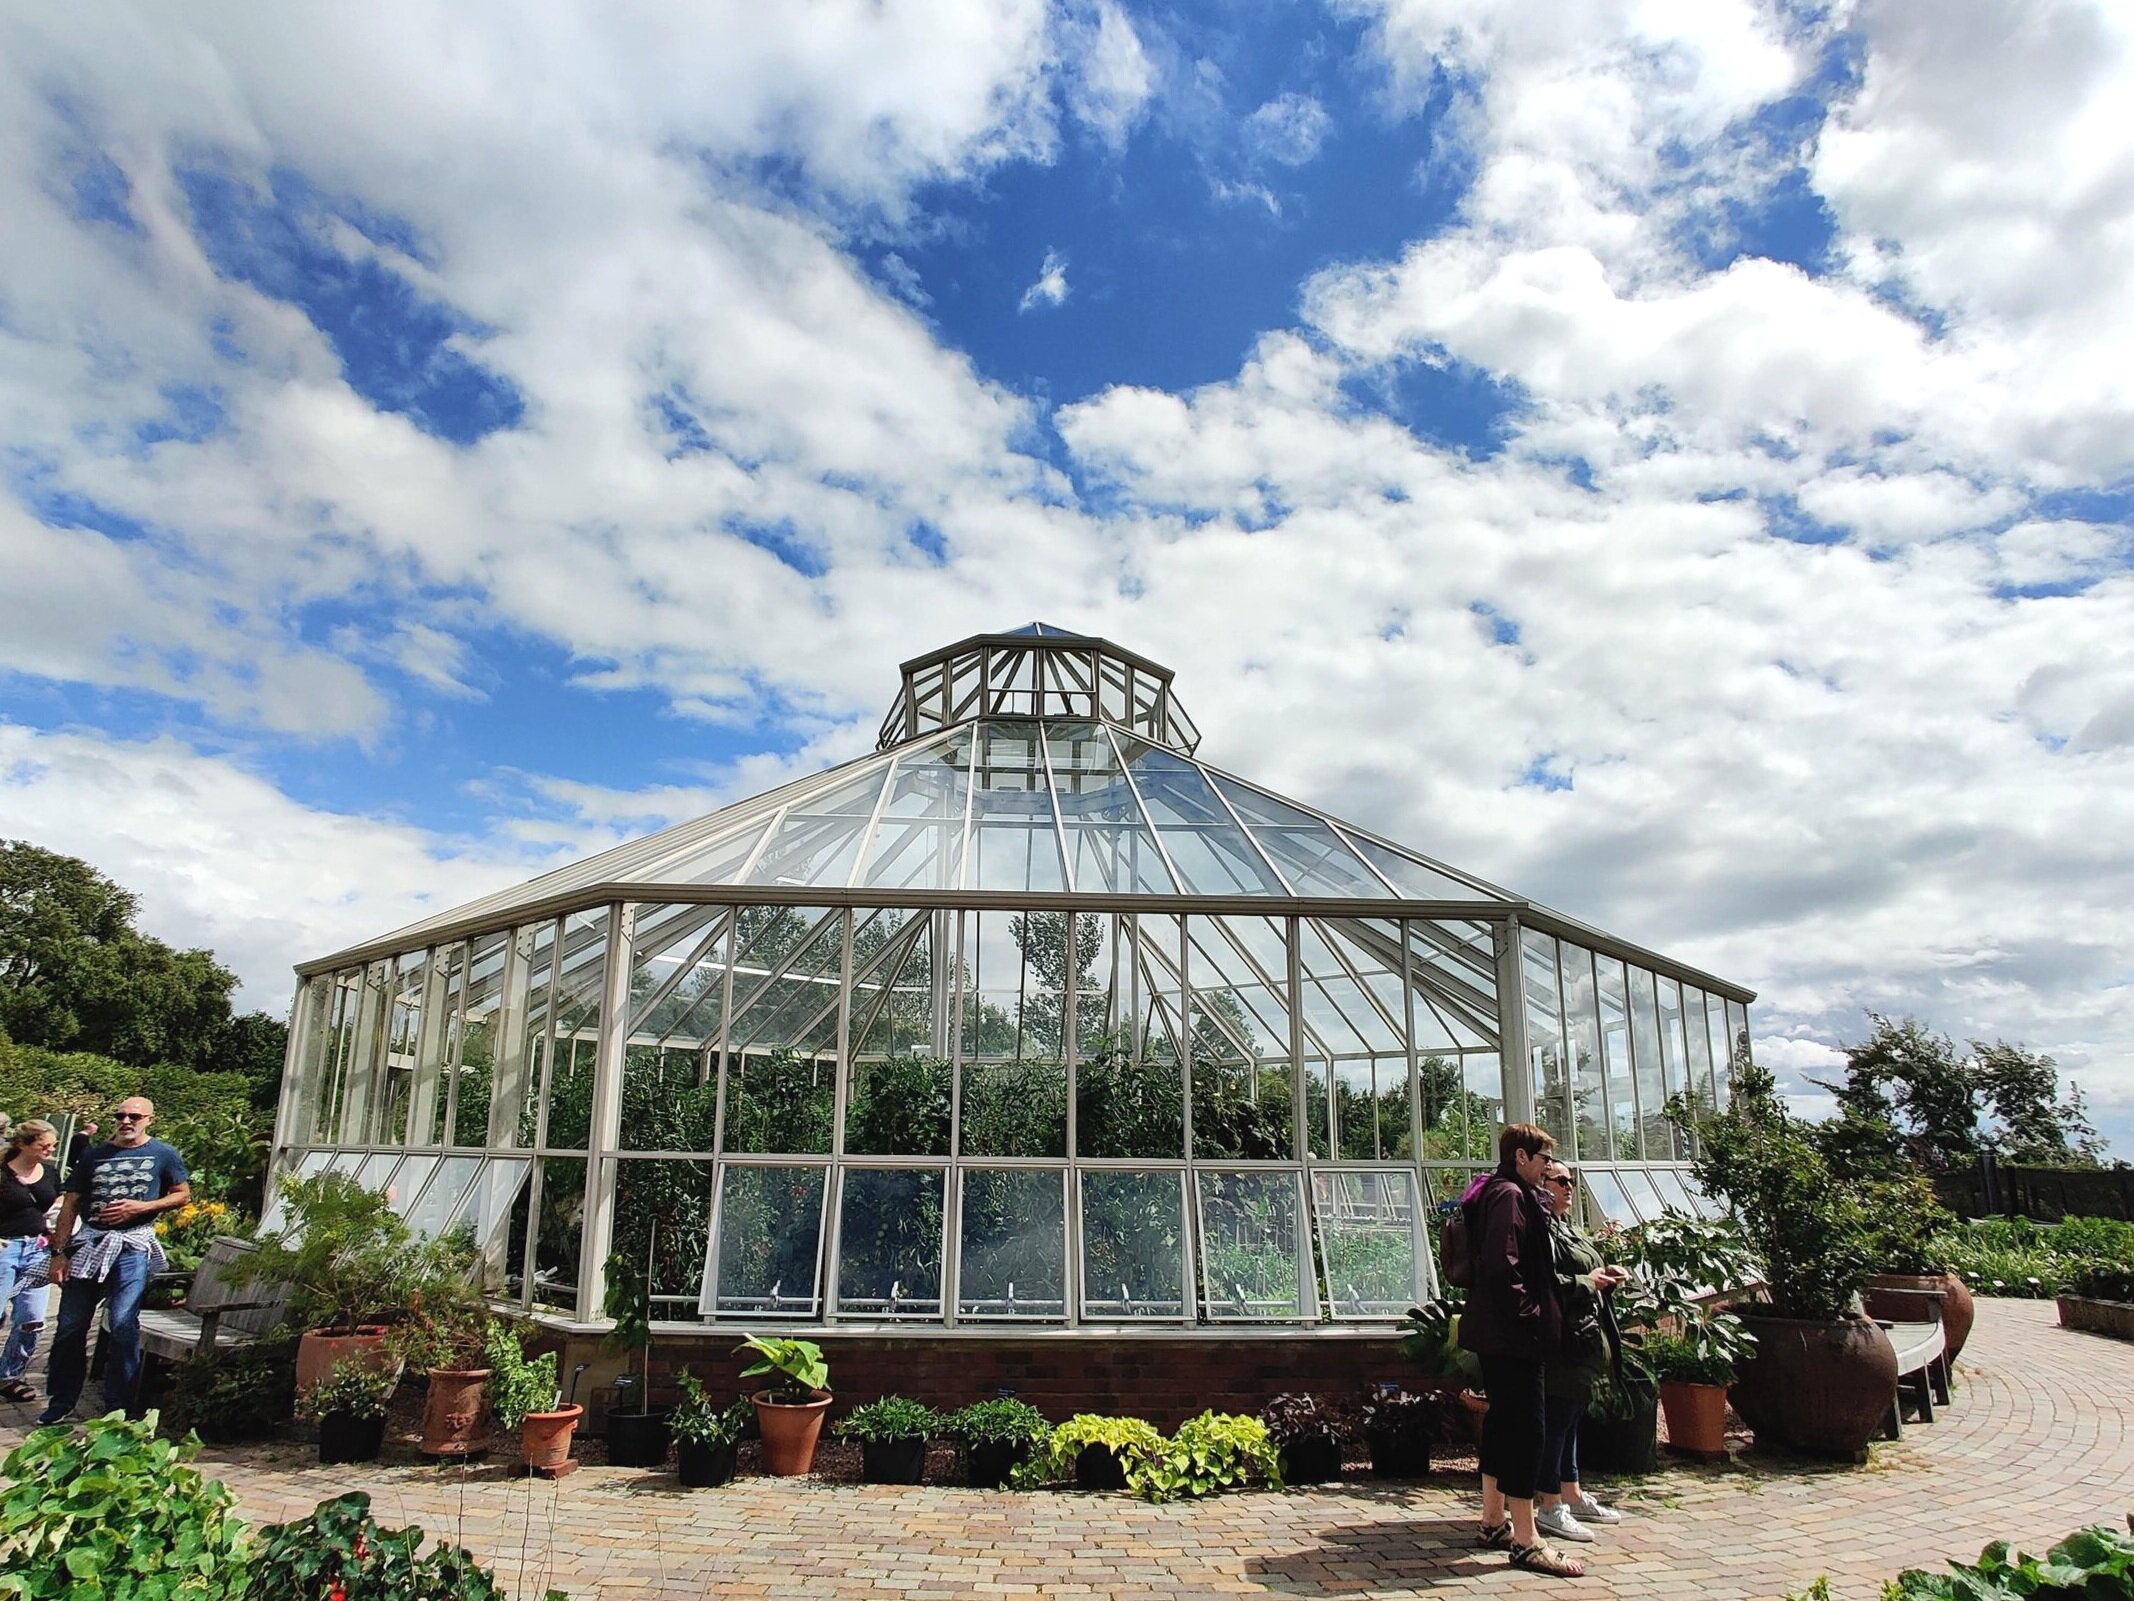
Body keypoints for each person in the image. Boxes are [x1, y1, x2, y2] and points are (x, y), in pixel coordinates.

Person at [1457, 1122, 1584, 1578]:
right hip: (1514, 1338)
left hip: (1497, 1334)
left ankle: (1494, 1520)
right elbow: (1502, 1265)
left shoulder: (1495, 1190)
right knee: (1527, 1431)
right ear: (1521, 1158)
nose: (1550, 1167)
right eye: (1544, 1159)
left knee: (1505, 1425)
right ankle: (1528, 1540)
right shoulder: (1510, 1196)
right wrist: (1531, 1314)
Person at [37, 1098, 190, 1426]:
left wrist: (141, 1208)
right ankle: (61, 1401)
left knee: (122, 1324)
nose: (126, 1121)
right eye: (120, 1115)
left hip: (132, 1247)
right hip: (91, 1244)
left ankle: (118, 1406)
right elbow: (71, 1204)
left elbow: (182, 1194)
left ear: (149, 1118)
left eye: (134, 1116)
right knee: (69, 1327)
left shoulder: (163, 1153)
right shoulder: (93, 1155)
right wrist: (59, 1253)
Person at [1534, 1160, 1631, 1545]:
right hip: (1561, 1338)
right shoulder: (1541, 1229)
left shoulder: (1567, 1227)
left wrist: (1605, 1274)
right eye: (1560, 1180)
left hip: (1584, 1333)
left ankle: (1571, 1493)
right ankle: (1549, 1504)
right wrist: (1588, 1282)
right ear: (1543, 1184)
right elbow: (1544, 1282)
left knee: (1572, 1415)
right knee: (1557, 1419)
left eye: (1571, 1180)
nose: (1569, 1186)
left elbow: (1583, 1271)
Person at [0, 1119, 62, 1404]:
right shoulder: (3, 1174)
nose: (49, 1151)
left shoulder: (50, 1173)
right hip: (5, 1249)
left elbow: (57, 1208)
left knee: (32, 1319)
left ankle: (10, 1375)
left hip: (37, 1250)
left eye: (53, 1146)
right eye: (44, 1146)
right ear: (23, 1145)